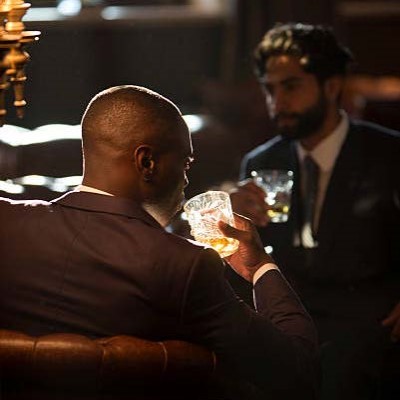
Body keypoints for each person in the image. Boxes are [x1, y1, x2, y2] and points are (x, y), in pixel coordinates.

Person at [0, 85, 318, 399]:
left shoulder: (8, 222)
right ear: (147, 162)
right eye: (186, 163)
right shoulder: (187, 265)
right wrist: (260, 265)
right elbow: (295, 370)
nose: (186, 180)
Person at [230, 23, 400, 400]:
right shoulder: (262, 160)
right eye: (269, 89)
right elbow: (245, 259)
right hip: (288, 318)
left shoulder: (388, 154)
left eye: (291, 86)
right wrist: (233, 218)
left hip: (366, 320)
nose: (277, 102)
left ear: (331, 86)